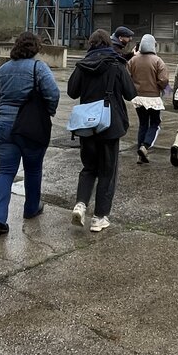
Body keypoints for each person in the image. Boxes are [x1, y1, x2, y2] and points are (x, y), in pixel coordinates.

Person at [0, 31, 60, 235]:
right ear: (36, 48)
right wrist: (47, 112)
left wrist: (3, 113)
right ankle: (31, 208)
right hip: (31, 128)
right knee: (33, 169)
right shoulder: (39, 68)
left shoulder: (3, 70)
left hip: (3, 126)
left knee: (5, 171)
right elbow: (53, 94)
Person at [67, 28, 136, 233]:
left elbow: (72, 92)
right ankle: (99, 218)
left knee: (89, 167)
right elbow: (131, 93)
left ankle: (80, 203)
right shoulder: (117, 64)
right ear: (108, 43)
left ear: (91, 44)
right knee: (107, 171)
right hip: (110, 125)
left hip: (87, 126)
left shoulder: (82, 65)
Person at [128, 33, 169, 162]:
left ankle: (140, 154)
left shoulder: (133, 60)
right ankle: (145, 146)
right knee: (155, 123)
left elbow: (127, 77)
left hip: (138, 98)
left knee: (143, 124)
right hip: (153, 98)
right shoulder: (157, 60)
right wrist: (160, 87)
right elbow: (164, 80)